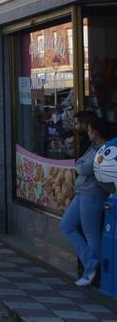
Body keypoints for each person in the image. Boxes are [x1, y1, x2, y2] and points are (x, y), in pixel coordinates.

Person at [61, 111, 110, 287]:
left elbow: (84, 168)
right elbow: (81, 164)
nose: (87, 133)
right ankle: (91, 263)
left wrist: (80, 166)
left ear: (95, 131)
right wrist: (80, 166)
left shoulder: (105, 150)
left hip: (93, 193)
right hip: (82, 191)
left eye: (89, 130)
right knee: (66, 224)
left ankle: (93, 273)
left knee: (91, 233)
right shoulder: (92, 147)